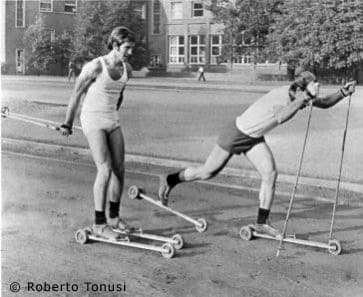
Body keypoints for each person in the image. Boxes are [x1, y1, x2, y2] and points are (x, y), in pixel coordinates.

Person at [158, 71, 356, 237]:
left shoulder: (297, 95)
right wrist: (305, 97)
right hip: (236, 134)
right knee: (207, 172)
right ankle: (170, 179)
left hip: (253, 137)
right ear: (302, 88)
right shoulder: (284, 96)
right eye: (314, 83)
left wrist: (342, 92)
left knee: (270, 173)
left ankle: (262, 222)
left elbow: (324, 103)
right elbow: (281, 116)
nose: (318, 84)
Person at [60, 26, 135, 240]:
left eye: (132, 48)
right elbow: (77, 92)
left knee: (120, 169)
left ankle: (113, 218)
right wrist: (68, 123)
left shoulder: (126, 69)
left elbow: (119, 96)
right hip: (92, 119)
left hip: (111, 118)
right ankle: (99, 224)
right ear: (115, 45)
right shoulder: (95, 66)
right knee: (105, 168)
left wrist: (113, 114)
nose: (130, 53)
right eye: (127, 48)